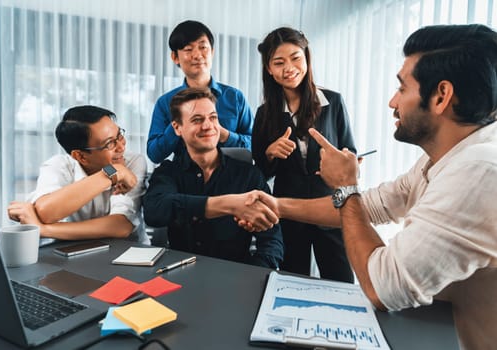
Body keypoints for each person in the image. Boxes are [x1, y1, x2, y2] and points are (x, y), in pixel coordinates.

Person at [243, 24, 497, 350]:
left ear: (441, 96)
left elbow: (383, 287)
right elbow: (377, 204)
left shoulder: (478, 170)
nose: (392, 101)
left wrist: (346, 185)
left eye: (402, 88)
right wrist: (276, 205)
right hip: (437, 329)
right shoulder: (442, 157)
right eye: (278, 62)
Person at [252, 27, 357, 281]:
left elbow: (349, 150)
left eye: (296, 58)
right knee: (292, 281)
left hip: (329, 208)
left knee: (341, 280)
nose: (289, 67)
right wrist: (270, 152)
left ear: (307, 59)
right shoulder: (265, 114)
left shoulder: (333, 102)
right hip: (289, 212)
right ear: (269, 69)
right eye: (279, 62)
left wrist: (347, 163)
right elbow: (260, 173)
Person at [143, 88, 283, 268]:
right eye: (197, 120)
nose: (208, 126)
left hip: (235, 275)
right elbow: (155, 211)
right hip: (181, 274)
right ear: (177, 128)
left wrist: (255, 274)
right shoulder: (168, 172)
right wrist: (229, 204)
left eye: (213, 117)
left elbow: (272, 241)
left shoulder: (248, 174)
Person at [7, 105, 149, 243]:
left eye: (119, 135)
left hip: (127, 253)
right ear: (81, 157)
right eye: (110, 143)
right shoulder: (58, 166)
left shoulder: (133, 162)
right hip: (73, 252)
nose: (121, 146)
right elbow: (45, 213)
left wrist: (43, 230)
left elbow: (121, 225)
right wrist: (112, 173)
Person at [147, 20, 253, 164]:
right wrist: (179, 125)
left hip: (230, 177)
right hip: (183, 178)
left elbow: (255, 145)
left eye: (203, 47)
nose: (197, 55)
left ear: (212, 52)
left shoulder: (234, 97)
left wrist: (224, 135)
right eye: (188, 49)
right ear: (175, 57)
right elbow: (154, 154)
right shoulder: (165, 102)